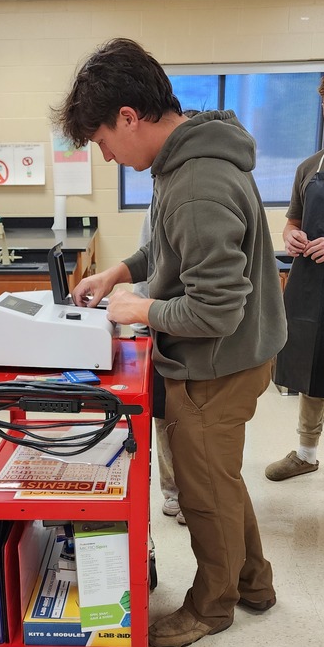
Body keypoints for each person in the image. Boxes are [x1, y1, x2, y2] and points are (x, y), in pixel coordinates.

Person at [50, 37, 287, 647]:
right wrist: (120, 273)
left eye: (103, 141)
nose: (106, 156)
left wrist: (144, 308)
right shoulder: (184, 159)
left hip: (218, 363)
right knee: (219, 477)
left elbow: (217, 309)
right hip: (234, 354)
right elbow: (168, 246)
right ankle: (254, 582)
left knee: (203, 491)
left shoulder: (196, 182)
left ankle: (212, 607)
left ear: (129, 117)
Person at [266, 63, 324, 507]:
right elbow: (292, 222)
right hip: (309, 285)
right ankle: (305, 454)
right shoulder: (307, 167)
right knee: (309, 368)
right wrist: (291, 237)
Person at [133, 204, 186, 526]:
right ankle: (173, 491)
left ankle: (197, 494)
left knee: (198, 421)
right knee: (164, 415)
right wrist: (140, 326)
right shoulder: (156, 204)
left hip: (201, 328)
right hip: (161, 326)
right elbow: (148, 259)